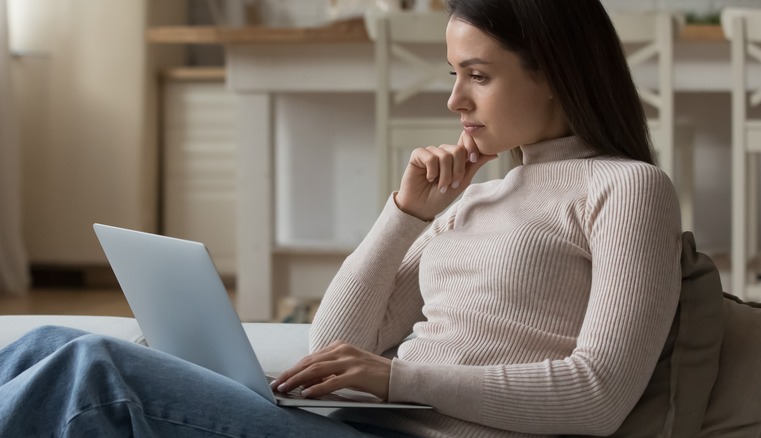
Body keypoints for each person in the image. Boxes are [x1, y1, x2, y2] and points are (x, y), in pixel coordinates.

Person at [0, 0, 681, 436]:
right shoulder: (474, 198)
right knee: (48, 343)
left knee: (90, 370)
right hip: (362, 425)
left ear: (557, 74)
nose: (453, 101)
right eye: (454, 74)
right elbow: (331, 342)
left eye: (477, 75)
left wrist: (395, 379)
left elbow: (597, 396)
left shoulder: (627, 190)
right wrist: (406, 215)